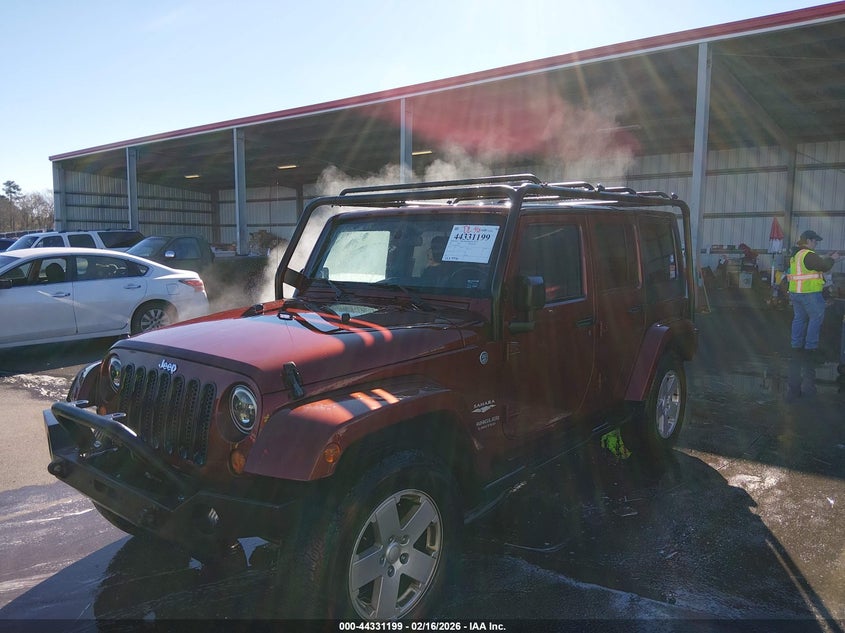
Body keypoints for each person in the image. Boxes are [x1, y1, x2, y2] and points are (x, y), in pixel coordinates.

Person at [788, 229, 840, 358]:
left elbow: (813, 266)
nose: (816, 243)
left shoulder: (796, 255)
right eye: (815, 241)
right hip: (809, 293)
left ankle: (796, 345)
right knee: (815, 318)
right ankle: (811, 347)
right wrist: (833, 259)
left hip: (796, 292)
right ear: (808, 241)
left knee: (799, 319)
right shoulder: (808, 254)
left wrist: (827, 258)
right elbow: (823, 267)